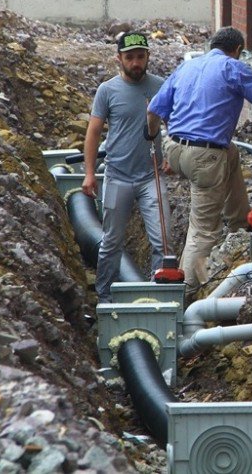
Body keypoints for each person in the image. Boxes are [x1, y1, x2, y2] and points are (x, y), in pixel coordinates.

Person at [146, 26, 252, 295]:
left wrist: (154, 137)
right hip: (205, 157)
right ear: (237, 50)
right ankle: (185, 294)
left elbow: (153, 111)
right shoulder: (233, 68)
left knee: (232, 153)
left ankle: (240, 222)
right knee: (203, 231)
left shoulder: (187, 67)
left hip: (175, 148)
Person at [83, 30, 170, 304]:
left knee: (162, 241)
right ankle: (105, 297)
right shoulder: (107, 91)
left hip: (151, 177)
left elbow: (175, 124)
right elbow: (93, 132)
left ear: (148, 57)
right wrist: (89, 173)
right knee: (111, 242)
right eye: (129, 57)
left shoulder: (160, 87)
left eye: (140, 57)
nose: (135, 63)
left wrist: (171, 155)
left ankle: (161, 295)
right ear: (118, 58)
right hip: (117, 176)